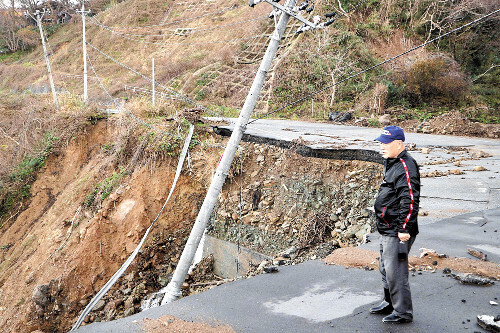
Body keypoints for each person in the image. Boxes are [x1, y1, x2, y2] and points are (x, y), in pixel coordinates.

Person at [370, 125, 420, 324]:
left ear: (399, 144)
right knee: (385, 268)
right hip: (388, 227)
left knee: (396, 272)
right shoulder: (392, 162)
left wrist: (403, 229)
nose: (382, 146)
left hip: (398, 230)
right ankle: (389, 302)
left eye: (386, 143)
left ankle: (403, 311)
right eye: (381, 142)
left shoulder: (406, 166)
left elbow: (409, 199)